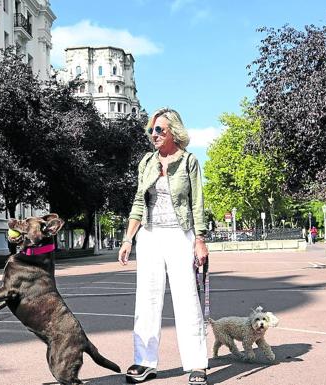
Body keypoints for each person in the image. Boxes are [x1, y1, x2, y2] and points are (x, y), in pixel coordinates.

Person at [118, 107, 209, 385]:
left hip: (180, 235)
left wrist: (200, 240)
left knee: (186, 300)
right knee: (146, 300)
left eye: (159, 130)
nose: (153, 134)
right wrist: (127, 239)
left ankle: (196, 364)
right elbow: (137, 201)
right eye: (151, 130)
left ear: (174, 132)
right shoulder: (146, 162)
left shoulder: (189, 162)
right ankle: (145, 363)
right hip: (149, 235)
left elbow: (197, 204)